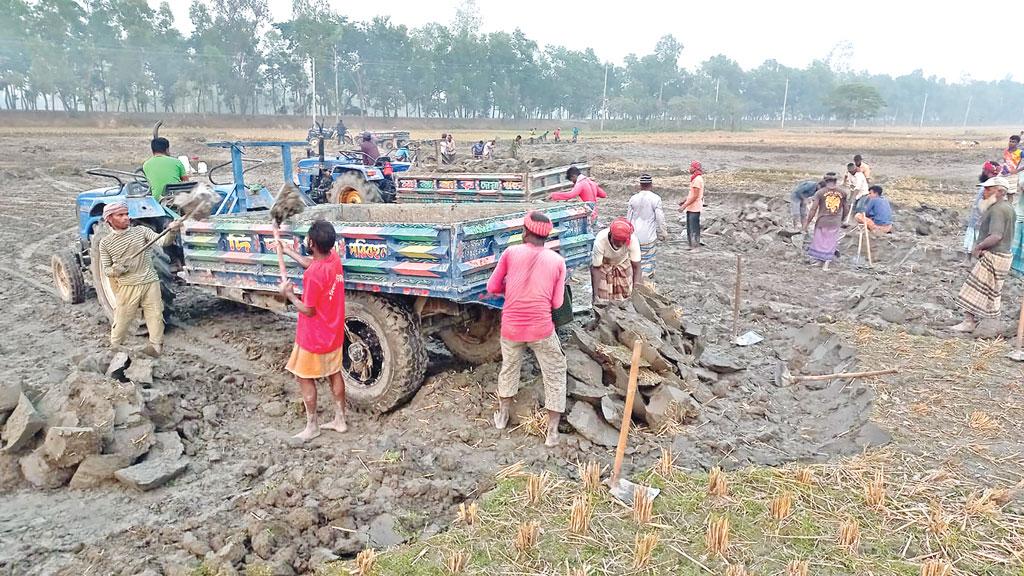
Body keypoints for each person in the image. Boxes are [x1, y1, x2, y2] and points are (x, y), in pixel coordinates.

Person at [487, 212, 568, 448]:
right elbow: (557, 304)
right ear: (547, 236)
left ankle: (502, 417)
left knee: (509, 367)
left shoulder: (511, 253)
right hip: (541, 329)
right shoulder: (557, 262)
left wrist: (512, 291)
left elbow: (492, 287)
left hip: (511, 327)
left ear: (524, 232)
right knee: (554, 371)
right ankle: (552, 431)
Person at [275, 220, 348, 442]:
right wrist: (289, 252)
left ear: (312, 243)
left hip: (314, 336)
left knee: (304, 377)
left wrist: (288, 295)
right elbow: (313, 264)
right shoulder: (333, 258)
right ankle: (340, 420)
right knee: (334, 373)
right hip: (333, 331)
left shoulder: (313, 276)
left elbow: (307, 309)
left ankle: (312, 426)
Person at [98, 202, 182, 356]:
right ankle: (114, 352)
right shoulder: (106, 243)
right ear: (109, 218)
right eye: (120, 215)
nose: (126, 218)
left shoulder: (142, 231)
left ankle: (156, 350)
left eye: (126, 214)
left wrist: (172, 231)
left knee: (156, 317)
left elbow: (162, 241)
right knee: (122, 321)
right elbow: (107, 270)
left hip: (151, 283)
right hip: (129, 286)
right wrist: (116, 269)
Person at [952, 176, 1016, 333]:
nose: (984, 192)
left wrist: (979, 247)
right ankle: (991, 324)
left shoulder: (998, 210)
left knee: (973, 287)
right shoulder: (1007, 207)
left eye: (988, 189)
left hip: (994, 254)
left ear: (1000, 192)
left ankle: (969, 321)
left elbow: (996, 236)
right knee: (992, 291)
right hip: (1003, 255)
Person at [803, 172, 849, 271]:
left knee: (820, 241)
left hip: (822, 220)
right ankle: (824, 264)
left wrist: (807, 222)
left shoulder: (820, 193)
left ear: (825, 180)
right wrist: (842, 219)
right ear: (836, 181)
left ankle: (822, 262)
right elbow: (846, 208)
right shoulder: (843, 193)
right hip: (835, 221)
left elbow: (813, 209)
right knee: (830, 242)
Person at [626, 174, 667, 282]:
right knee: (647, 262)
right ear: (651, 185)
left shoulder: (633, 199)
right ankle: (644, 280)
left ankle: (634, 279)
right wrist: (663, 233)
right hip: (648, 236)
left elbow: (628, 219)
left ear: (640, 185)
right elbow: (660, 219)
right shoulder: (655, 199)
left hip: (634, 236)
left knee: (635, 259)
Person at [590, 218, 641, 302]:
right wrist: (595, 295)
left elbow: (637, 267)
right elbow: (596, 268)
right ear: (610, 235)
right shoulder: (600, 240)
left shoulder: (633, 240)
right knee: (602, 298)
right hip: (603, 266)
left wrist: (635, 293)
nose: (620, 244)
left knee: (626, 296)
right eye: (617, 240)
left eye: (623, 241)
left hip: (622, 264)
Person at [965, 161, 1003, 252]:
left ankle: (971, 260)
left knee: (978, 241)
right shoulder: (987, 185)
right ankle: (968, 259)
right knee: (972, 241)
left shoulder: (991, 187)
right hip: (976, 218)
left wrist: (982, 218)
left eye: (985, 170)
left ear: (989, 172)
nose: (983, 172)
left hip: (981, 220)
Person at [143, 137, 188, 202]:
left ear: (152, 150)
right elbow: (186, 183)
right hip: (175, 199)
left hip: (156, 200)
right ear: (167, 149)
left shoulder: (146, 164)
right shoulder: (177, 162)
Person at [680, 160, 705, 249]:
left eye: (691, 166)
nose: (689, 168)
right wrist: (684, 201)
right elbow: (692, 194)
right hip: (692, 207)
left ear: (695, 168)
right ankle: (692, 245)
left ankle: (694, 246)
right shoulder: (695, 179)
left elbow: (695, 196)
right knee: (691, 227)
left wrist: (684, 206)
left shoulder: (697, 180)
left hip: (694, 208)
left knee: (693, 228)